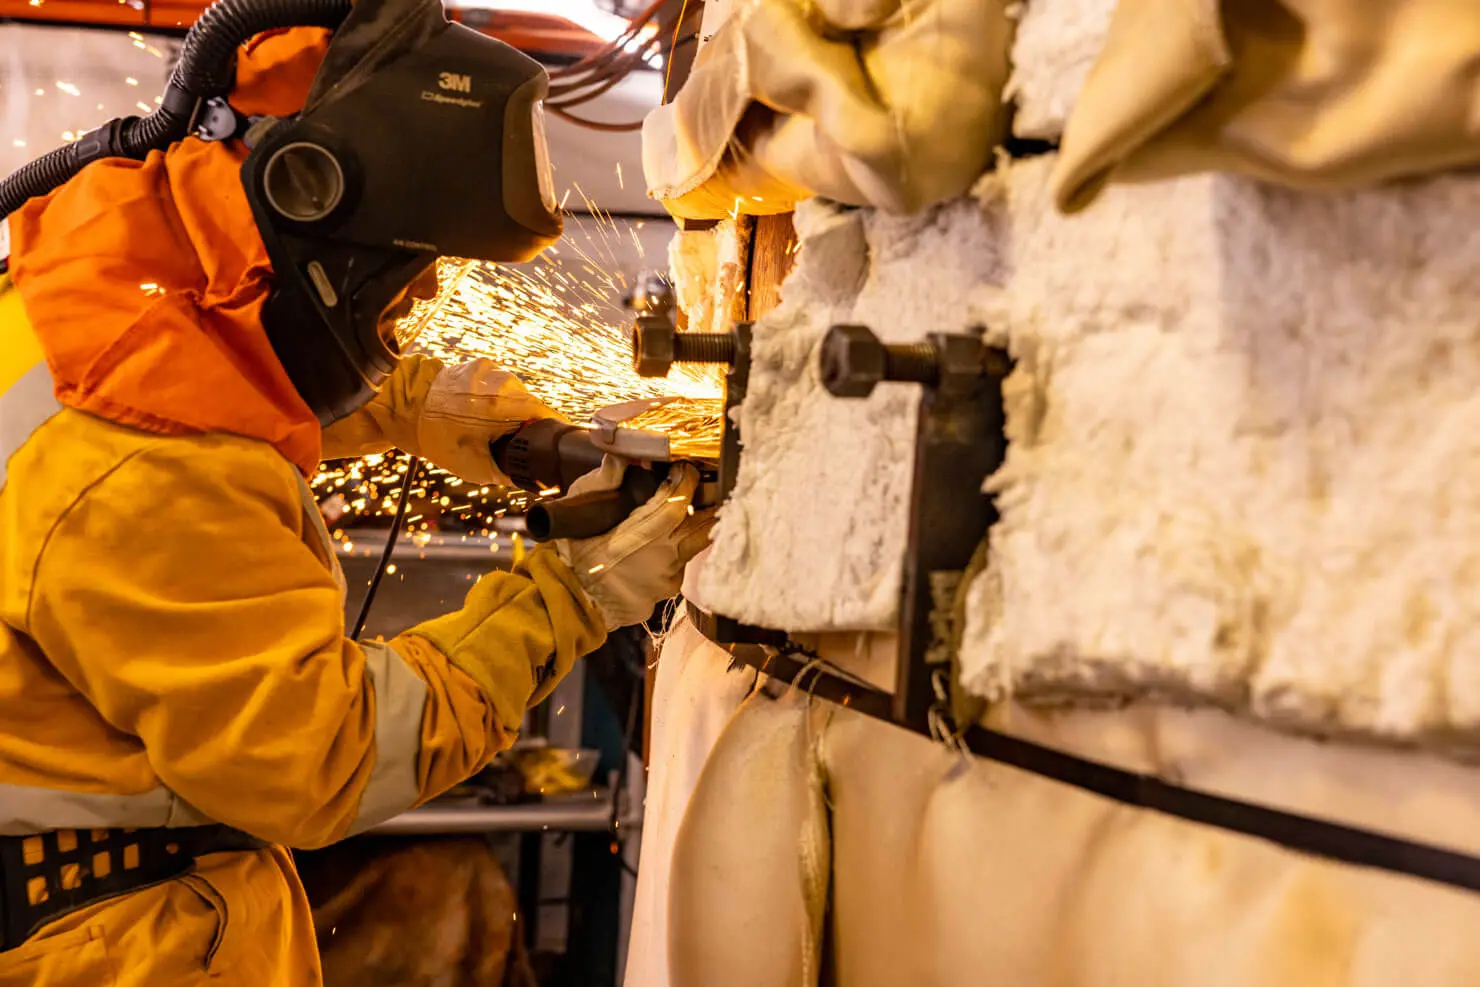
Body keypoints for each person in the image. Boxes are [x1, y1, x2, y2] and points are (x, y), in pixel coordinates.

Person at [0, 5, 710, 985]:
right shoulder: (150, 469)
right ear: (310, 222)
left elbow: (234, 382)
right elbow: (327, 757)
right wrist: (572, 595)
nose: (415, 309)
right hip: (114, 946)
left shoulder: (91, 311)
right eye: (407, 286)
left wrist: (445, 411)